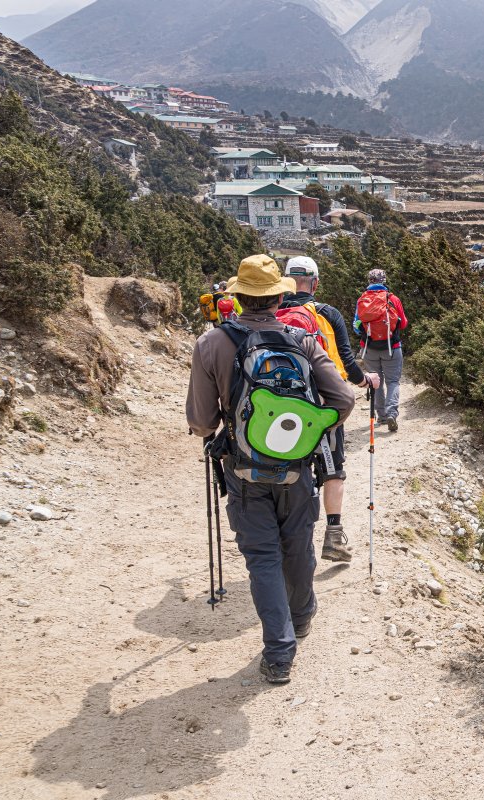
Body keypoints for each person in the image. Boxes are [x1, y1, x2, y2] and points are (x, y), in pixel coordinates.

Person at [186, 255, 356, 684]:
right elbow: (343, 400)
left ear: (238, 298)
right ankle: (302, 615)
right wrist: (309, 431)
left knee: (263, 557)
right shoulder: (303, 341)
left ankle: (279, 655)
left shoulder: (211, 344)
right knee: (297, 544)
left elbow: (202, 422)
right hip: (297, 469)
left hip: (243, 471)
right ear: (280, 297)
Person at [279, 256, 379, 563]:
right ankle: (334, 536)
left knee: (287, 468)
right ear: (315, 283)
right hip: (323, 405)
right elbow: (346, 363)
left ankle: (286, 539)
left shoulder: (272, 312)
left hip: (280, 407)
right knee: (333, 470)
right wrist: (366, 381)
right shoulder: (327, 313)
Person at [354, 268, 407, 432]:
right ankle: (392, 413)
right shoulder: (393, 299)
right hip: (392, 347)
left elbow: (356, 327)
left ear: (369, 281)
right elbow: (403, 323)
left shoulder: (362, 300)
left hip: (369, 348)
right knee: (393, 381)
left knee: (376, 382)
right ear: (384, 280)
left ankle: (382, 416)